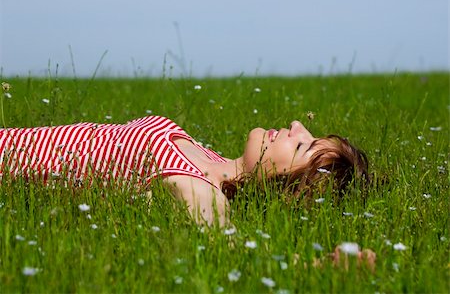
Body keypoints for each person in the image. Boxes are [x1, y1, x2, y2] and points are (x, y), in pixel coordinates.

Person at [0, 115, 369, 226]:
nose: (296, 126)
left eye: (302, 145)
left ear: (288, 187)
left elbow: (226, 245)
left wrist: (316, 263)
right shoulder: (213, 160)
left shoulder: (201, 189)